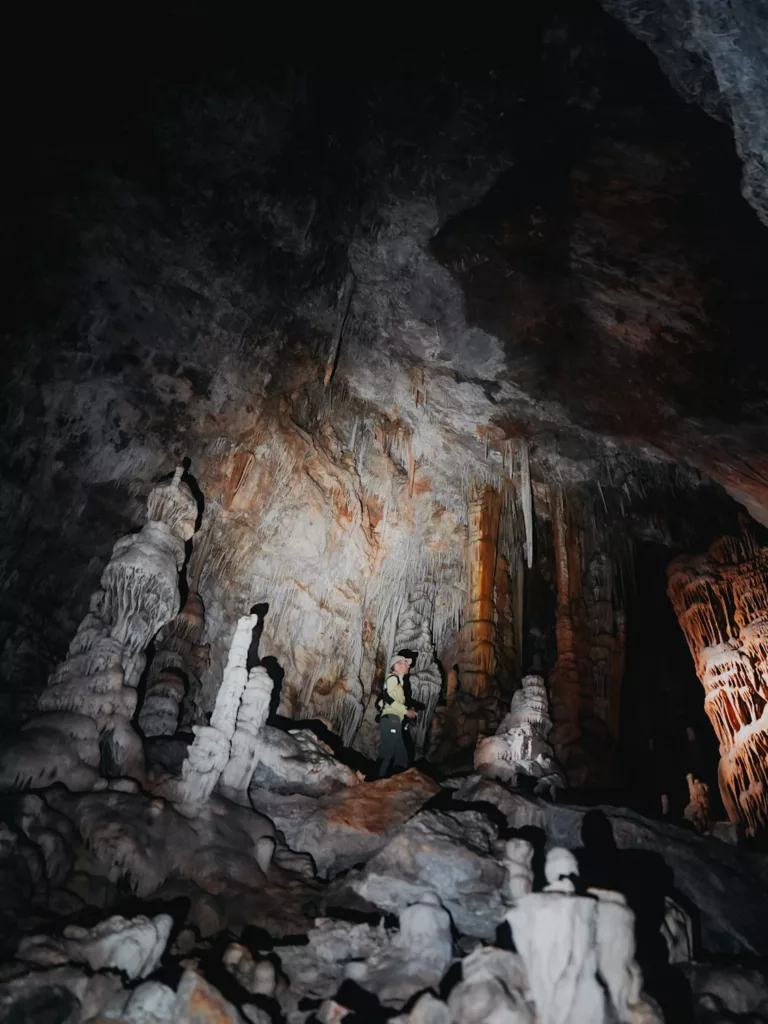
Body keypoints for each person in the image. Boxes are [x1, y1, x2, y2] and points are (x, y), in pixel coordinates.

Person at [376, 653, 417, 777]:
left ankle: (397, 781)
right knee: (388, 752)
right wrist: (406, 711)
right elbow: (387, 698)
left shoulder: (399, 682)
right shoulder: (393, 678)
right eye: (405, 663)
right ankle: (377, 780)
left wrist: (408, 711)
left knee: (401, 755)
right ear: (397, 665)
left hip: (395, 719)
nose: (408, 666)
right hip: (391, 719)